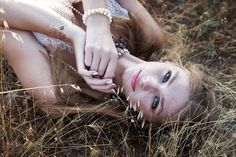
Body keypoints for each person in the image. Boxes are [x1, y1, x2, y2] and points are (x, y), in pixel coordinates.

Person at [0, 0, 215, 126]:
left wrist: (74, 35)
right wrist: (97, 22)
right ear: (170, 62)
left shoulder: (61, 93)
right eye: (167, 76)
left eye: (155, 102)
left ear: (144, 119)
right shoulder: (148, 34)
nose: (148, 83)